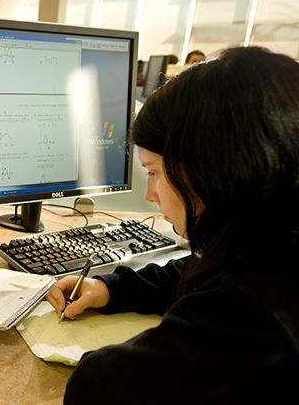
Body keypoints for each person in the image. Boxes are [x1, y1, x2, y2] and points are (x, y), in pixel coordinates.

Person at [45, 46, 299, 403]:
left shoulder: (253, 319)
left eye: (154, 173)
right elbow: (203, 269)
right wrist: (111, 288)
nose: (150, 194)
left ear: (213, 169)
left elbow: (99, 386)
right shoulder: (274, 245)